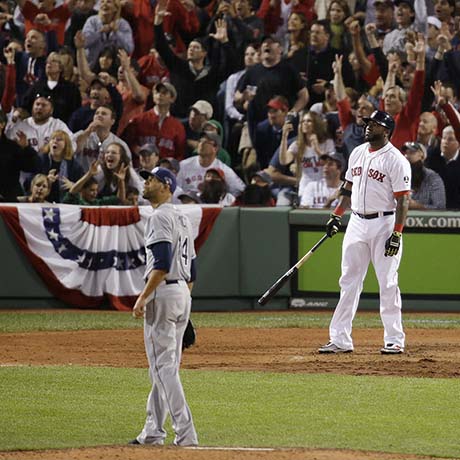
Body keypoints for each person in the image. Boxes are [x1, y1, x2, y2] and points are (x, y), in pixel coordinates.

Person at [318, 110, 411, 355]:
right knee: (348, 281)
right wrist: (336, 215)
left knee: (388, 282)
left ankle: (394, 339)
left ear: (387, 131)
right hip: (357, 222)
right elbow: (347, 188)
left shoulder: (396, 159)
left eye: (375, 124)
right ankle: (339, 339)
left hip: (384, 223)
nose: (368, 127)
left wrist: (397, 233)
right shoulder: (357, 153)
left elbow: (403, 201)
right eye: (368, 122)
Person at [131, 166, 198, 447]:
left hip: (164, 291)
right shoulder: (181, 217)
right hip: (182, 292)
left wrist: (142, 297)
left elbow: (159, 264)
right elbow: (192, 269)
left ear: (166, 186)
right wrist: (183, 304)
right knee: (166, 368)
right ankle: (152, 432)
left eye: (152, 179)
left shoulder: (159, 217)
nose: (146, 182)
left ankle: (186, 432)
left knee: (163, 369)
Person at [401, 141, 446, 209]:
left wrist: (417, 206)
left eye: (412, 153)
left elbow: (440, 207)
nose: (407, 156)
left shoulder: (432, 178)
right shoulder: (399, 176)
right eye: (406, 153)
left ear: (422, 156)